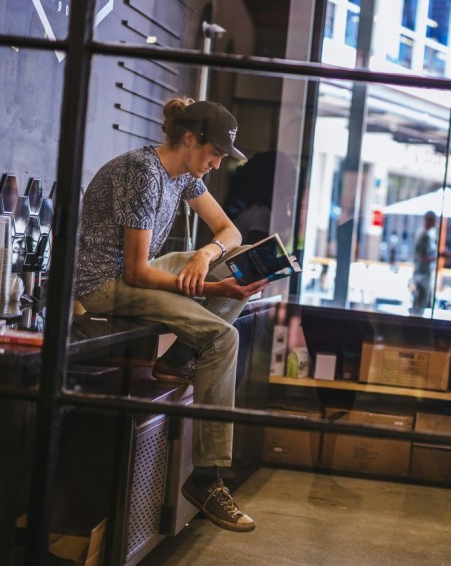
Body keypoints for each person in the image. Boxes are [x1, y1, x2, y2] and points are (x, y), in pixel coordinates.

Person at [74, 96, 268, 533]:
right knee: (223, 337)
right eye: (214, 154)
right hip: (104, 287)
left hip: (135, 275)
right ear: (189, 139)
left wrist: (205, 255)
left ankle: (178, 358)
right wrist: (215, 287)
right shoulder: (141, 174)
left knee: (247, 258)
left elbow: (230, 231)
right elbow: (135, 270)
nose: (217, 165)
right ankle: (207, 479)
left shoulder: (182, 176)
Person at [411, 210, 438, 310]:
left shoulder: (423, 233)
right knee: (420, 306)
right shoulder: (424, 236)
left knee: (419, 305)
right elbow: (422, 258)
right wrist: (437, 257)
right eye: (433, 220)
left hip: (420, 274)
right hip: (422, 276)